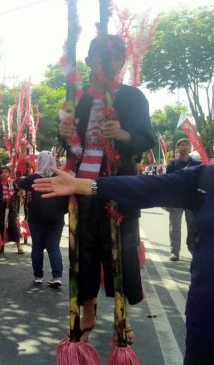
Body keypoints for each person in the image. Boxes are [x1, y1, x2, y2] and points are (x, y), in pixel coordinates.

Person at [33, 164, 214, 365]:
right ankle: (89, 314)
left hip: (118, 217)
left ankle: (122, 318)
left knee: (121, 264)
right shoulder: (206, 177)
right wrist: (84, 185)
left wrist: (122, 138)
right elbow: (149, 187)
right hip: (204, 320)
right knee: (87, 260)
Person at [58, 34, 156, 342]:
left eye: (113, 57)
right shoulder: (77, 98)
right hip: (82, 186)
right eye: (98, 56)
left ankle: (121, 311)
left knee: (120, 251)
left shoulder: (132, 98)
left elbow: (144, 138)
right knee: (83, 251)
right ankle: (88, 308)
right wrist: (65, 133)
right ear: (88, 61)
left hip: (117, 187)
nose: (105, 63)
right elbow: (72, 146)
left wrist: (124, 135)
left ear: (121, 62)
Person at [18, 152, 67, 286]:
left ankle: (38, 275)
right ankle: (57, 276)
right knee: (53, 247)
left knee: (37, 247)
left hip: (36, 217)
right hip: (56, 217)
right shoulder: (60, 177)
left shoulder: (34, 178)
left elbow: (21, 183)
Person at [166, 138, 201, 261]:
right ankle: (174, 252)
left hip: (191, 201)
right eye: (182, 145)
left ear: (190, 148)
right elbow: (167, 183)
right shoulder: (172, 164)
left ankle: (193, 250)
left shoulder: (197, 164)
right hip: (176, 200)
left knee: (193, 226)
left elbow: (201, 182)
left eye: (187, 144)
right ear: (178, 148)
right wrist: (166, 201)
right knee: (174, 227)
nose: (185, 147)